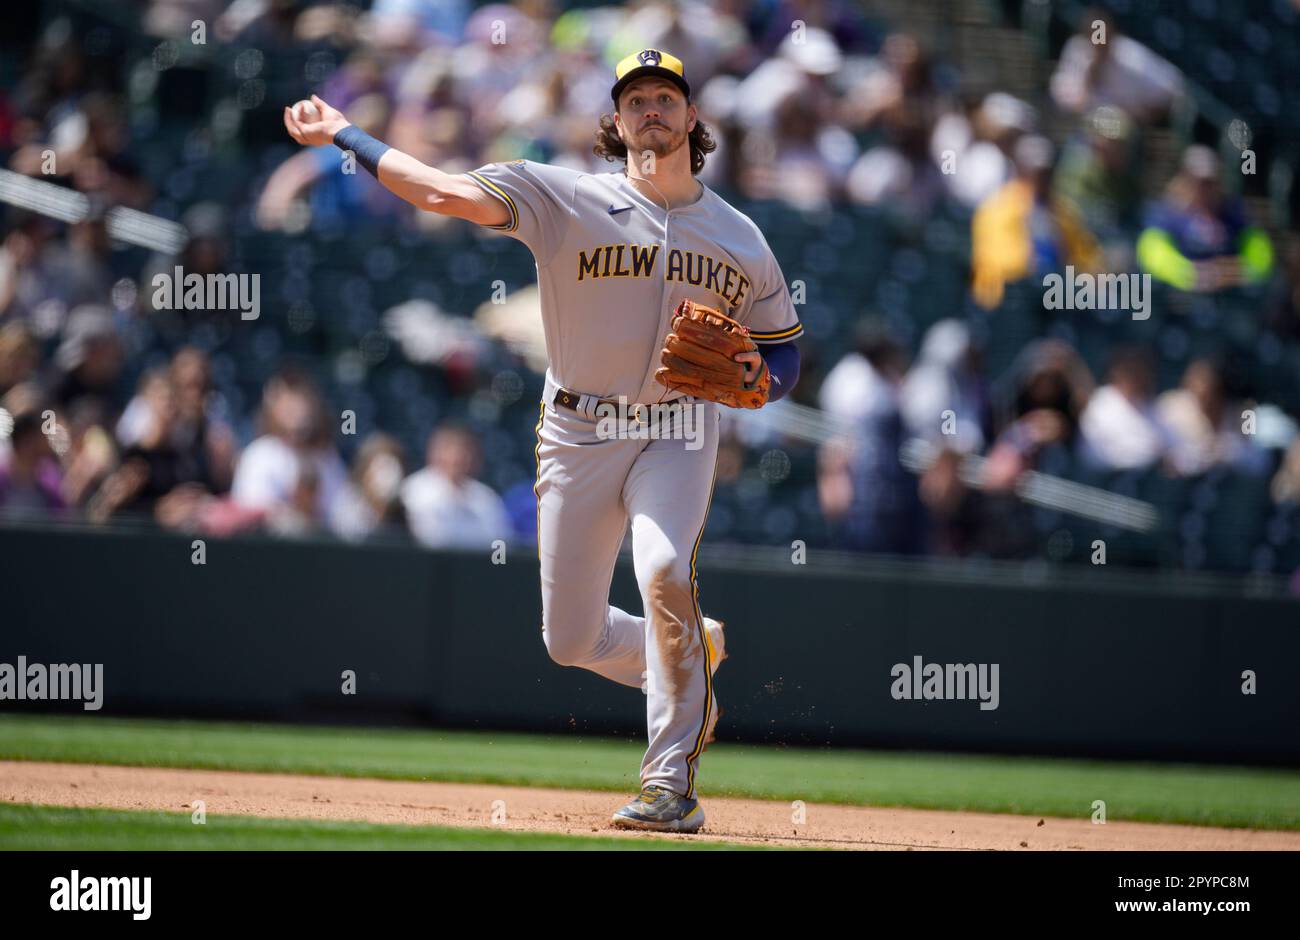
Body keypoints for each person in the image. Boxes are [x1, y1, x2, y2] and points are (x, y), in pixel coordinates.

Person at [282, 47, 803, 833]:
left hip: (677, 430)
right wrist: (348, 135)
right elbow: (443, 192)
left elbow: (785, 352)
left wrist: (762, 384)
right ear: (616, 121)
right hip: (577, 428)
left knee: (663, 573)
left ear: (693, 117)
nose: (651, 109)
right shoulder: (561, 195)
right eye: (636, 99)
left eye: (666, 96)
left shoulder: (740, 236)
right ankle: (694, 649)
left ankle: (670, 787)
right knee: (572, 639)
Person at [400, 424, 507, 549]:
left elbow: (502, 546)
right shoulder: (412, 491)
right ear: (434, 453)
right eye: (450, 449)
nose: (460, 457)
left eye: (466, 451)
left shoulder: (486, 498)